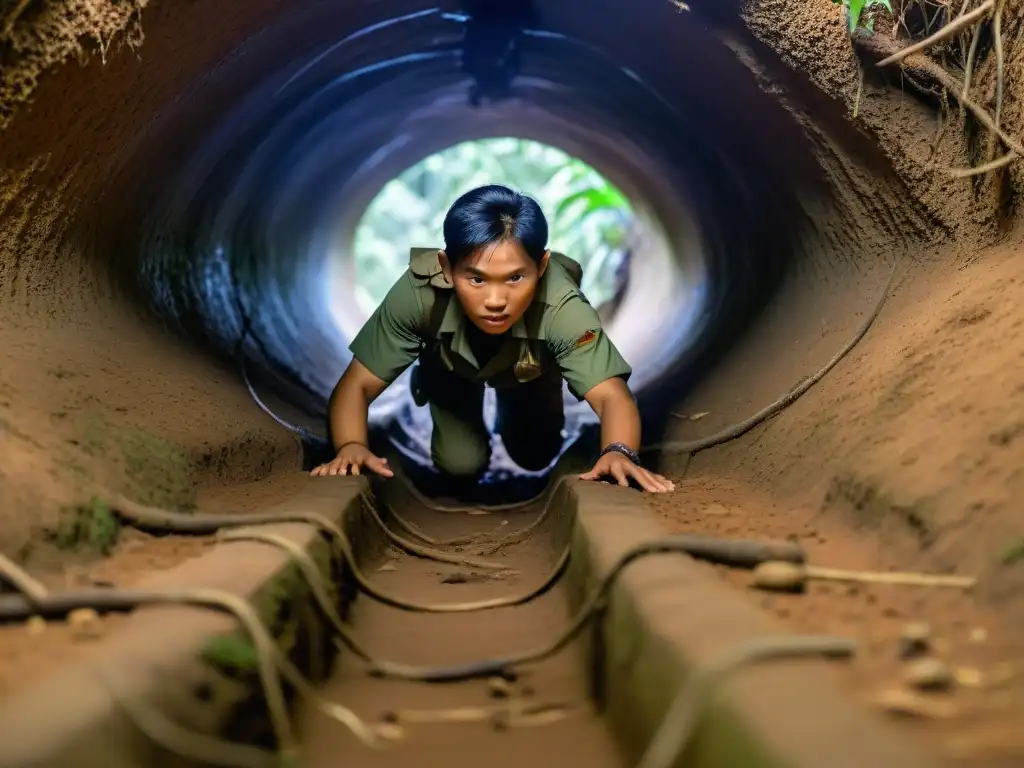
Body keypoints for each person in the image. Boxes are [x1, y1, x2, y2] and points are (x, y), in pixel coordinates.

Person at [311, 184, 673, 494]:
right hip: (451, 374)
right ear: (447, 267)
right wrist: (352, 445)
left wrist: (620, 450)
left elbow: (613, 394)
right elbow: (356, 385)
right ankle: (457, 413)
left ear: (542, 267)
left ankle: (520, 412)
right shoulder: (419, 297)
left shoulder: (561, 306)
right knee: (460, 466)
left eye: (515, 278)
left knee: (534, 454)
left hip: (529, 374)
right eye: (477, 279)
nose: (496, 301)